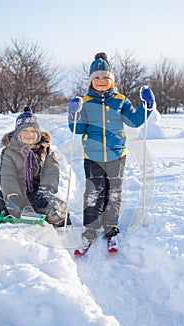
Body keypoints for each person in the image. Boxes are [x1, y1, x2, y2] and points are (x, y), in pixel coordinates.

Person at [68, 52, 155, 245]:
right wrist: (73, 115)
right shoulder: (86, 102)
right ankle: (91, 226)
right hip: (92, 155)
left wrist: (147, 106)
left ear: (112, 80)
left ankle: (110, 225)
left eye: (105, 77)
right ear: (91, 81)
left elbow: (134, 121)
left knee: (114, 192)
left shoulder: (120, 100)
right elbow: (78, 129)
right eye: (96, 78)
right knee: (94, 191)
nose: (101, 81)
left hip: (117, 155)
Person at [0, 106, 70, 227]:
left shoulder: (46, 151)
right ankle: (16, 210)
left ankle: (38, 212)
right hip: (14, 194)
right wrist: (13, 198)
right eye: (25, 131)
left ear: (38, 134)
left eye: (33, 131)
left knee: (58, 212)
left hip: (38, 195)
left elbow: (52, 173)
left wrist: (44, 192)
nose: (29, 135)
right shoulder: (9, 152)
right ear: (18, 134)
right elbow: (8, 176)